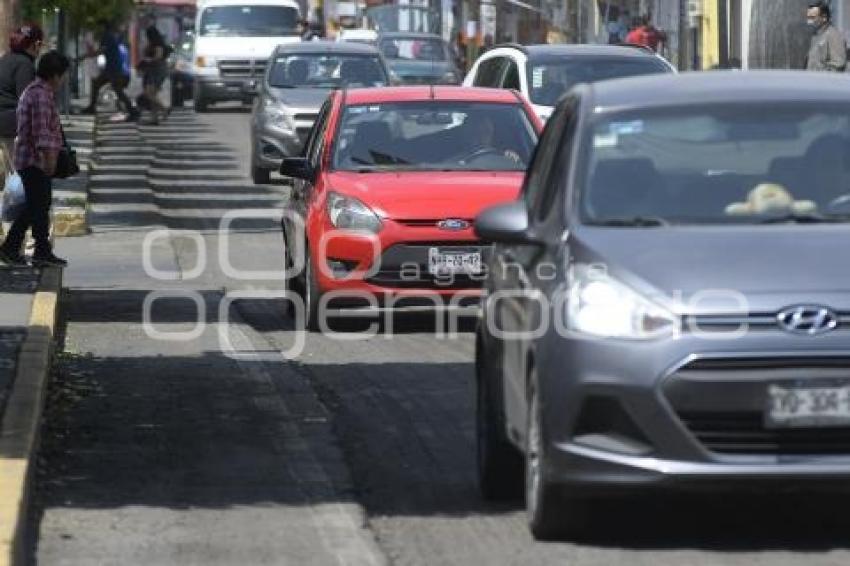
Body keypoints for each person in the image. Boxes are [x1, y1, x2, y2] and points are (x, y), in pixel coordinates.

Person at [0, 51, 70, 267]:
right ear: (56, 75)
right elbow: (41, 133)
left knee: (38, 205)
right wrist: (49, 159)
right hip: (34, 160)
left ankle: (28, 248)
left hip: (32, 159)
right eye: (64, 75)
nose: (65, 79)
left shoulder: (38, 91)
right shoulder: (39, 94)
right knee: (37, 205)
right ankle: (25, 248)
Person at [81, 20, 138, 120]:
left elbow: (101, 51)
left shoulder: (107, 36)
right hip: (112, 68)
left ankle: (133, 111)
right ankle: (92, 107)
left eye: (99, 27)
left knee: (118, 90)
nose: (97, 30)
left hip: (114, 69)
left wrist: (85, 56)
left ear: (103, 27)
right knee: (97, 84)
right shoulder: (111, 36)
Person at [0, 24, 43, 157]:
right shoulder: (25, 64)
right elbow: (26, 101)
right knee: (15, 173)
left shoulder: (5, 59)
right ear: (35, 44)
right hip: (9, 125)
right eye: (40, 45)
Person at [138, 25, 170, 124]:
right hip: (151, 70)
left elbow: (158, 57)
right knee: (152, 94)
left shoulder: (158, 44)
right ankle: (154, 118)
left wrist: (148, 60)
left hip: (157, 70)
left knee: (149, 93)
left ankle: (164, 109)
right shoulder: (150, 44)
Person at [805, 1, 847, 72]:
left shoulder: (833, 35)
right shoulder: (816, 36)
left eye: (813, 16)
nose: (811, 20)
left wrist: (821, 74)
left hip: (826, 81)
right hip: (813, 81)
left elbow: (839, 63)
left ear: (824, 17)